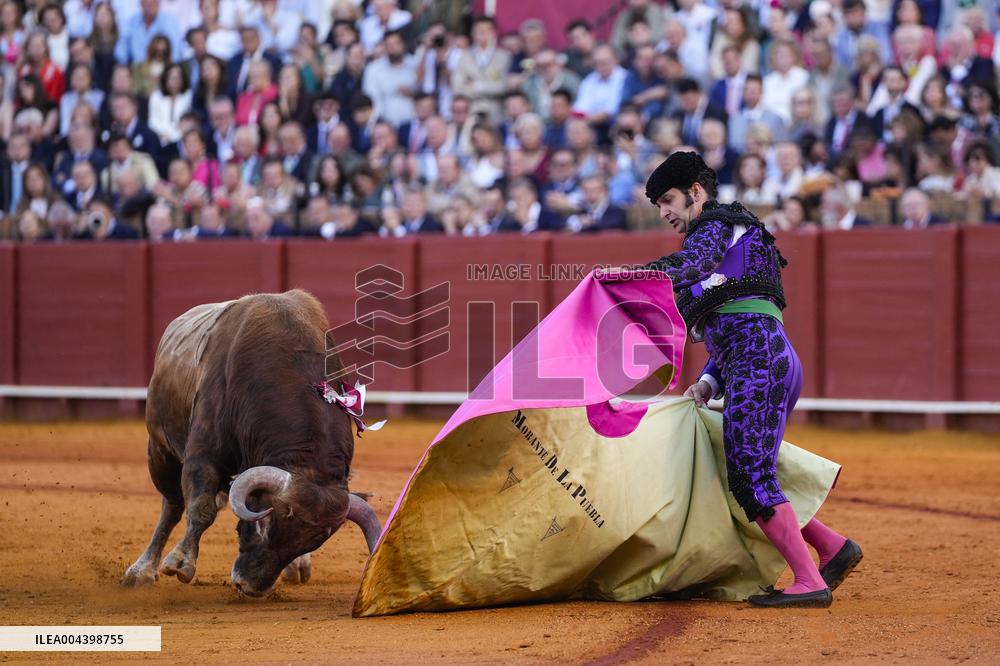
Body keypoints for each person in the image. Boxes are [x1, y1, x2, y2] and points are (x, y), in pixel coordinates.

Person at [641, 151, 862, 608]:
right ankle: (832, 548)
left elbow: (696, 269)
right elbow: (735, 317)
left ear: (696, 193)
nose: (664, 213)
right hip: (756, 358)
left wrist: (634, 279)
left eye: (668, 200)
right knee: (744, 470)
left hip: (757, 362)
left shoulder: (716, 225)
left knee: (749, 475)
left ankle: (809, 582)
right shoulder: (730, 235)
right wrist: (707, 380)